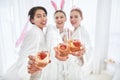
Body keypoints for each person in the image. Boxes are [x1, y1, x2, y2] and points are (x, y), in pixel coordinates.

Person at [3, 6, 50, 80]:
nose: (43, 18)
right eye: (39, 16)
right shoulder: (35, 32)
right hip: (29, 71)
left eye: (44, 15)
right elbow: (27, 55)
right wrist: (24, 75)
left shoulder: (39, 31)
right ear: (32, 20)